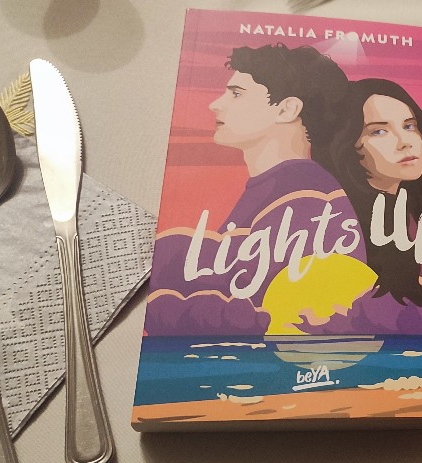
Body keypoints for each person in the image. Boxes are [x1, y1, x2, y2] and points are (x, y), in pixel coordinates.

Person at [145, 43, 369, 336]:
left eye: (236, 94)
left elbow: (261, 305)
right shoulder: (281, 186)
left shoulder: (304, 197)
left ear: (287, 109)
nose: (216, 104)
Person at [323, 78, 422, 309]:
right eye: (379, 131)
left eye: (409, 126)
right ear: (348, 143)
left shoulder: (417, 211)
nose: (404, 142)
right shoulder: (344, 227)